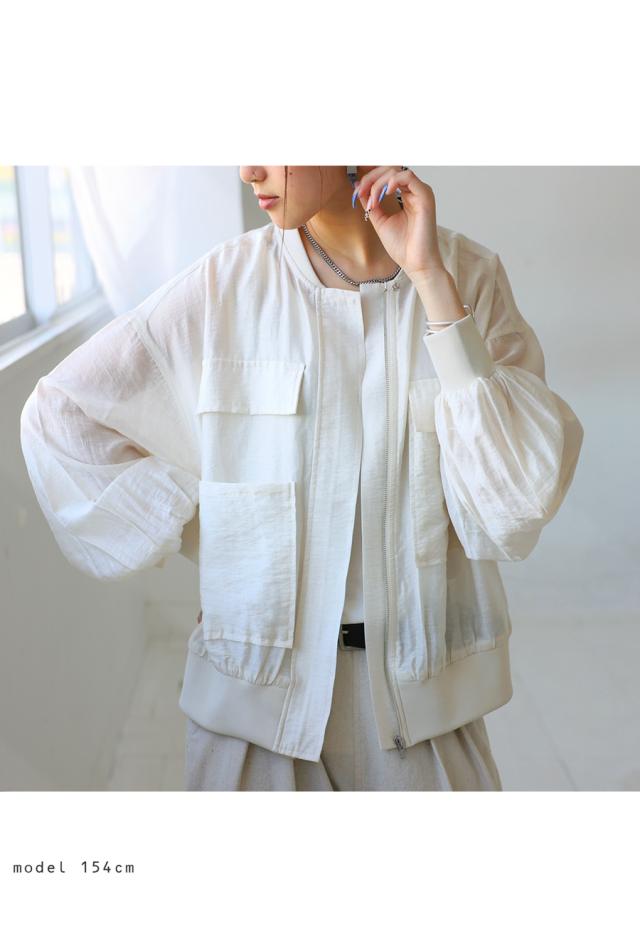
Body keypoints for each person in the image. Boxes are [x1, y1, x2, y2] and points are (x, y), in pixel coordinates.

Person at [20, 165, 584, 791]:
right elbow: (61, 415)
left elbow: (517, 501)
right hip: (253, 722)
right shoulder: (224, 286)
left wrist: (431, 282)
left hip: (428, 717)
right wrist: (225, 537)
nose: (248, 169)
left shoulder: (468, 276)